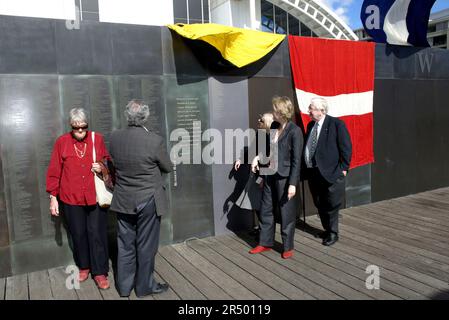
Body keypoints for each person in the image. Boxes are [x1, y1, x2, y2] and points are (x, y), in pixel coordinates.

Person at [109, 99, 172, 298]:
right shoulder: (154, 140)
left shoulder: (114, 138)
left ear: (127, 116)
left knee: (125, 244)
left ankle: (124, 288)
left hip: (123, 198)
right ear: (145, 117)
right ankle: (144, 287)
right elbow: (168, 167)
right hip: (148, 199)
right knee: (146, 245)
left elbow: (114, 164)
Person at [46, 107, 110, 290]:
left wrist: (102, 168)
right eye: (76, 127)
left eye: (83, 127)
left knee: (97, 233)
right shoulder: (62, 142)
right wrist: (53, 197)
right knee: (79, 234)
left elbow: (107, 161)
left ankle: (100, 272)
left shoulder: (97, 139)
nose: (80, 131)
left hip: (95, 196)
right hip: (71, 197)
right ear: (71, 126)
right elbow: (54, 170)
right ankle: (84, 266)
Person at [249, 96, 303, 259]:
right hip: (268, 174)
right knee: (265, 210)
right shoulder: (273, 127)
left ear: (282, 113)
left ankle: (287, 246)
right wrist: (258, 158)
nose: (273, 112)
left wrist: (293, 183)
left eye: (275, 110)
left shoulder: (295, 131)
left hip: (285, 178)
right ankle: (265, 242)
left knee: (286, 212)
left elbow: (296, 160)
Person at [304, 97, 352, 246]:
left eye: (311, 108)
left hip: (331, 173)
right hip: (314, 173)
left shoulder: (336, 124)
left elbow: (346, 148)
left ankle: (333, 233)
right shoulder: (311, 125)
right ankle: (326, 229)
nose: (309, 111)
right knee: (320, 203)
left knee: (331, 204)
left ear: (321, 110)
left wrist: (343, 169)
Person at [234, 113, 275, 237]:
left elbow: (271, 157)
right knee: (256, 202)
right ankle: (261, 229)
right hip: (257, 173)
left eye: (261, 120)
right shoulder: (260, 134)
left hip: (266, 174)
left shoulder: (273, 136)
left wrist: (264, 177)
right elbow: (252, 150)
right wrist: (240, 159)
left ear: (267, 123)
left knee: (264, 204)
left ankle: (265, 231)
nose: (258, 120)